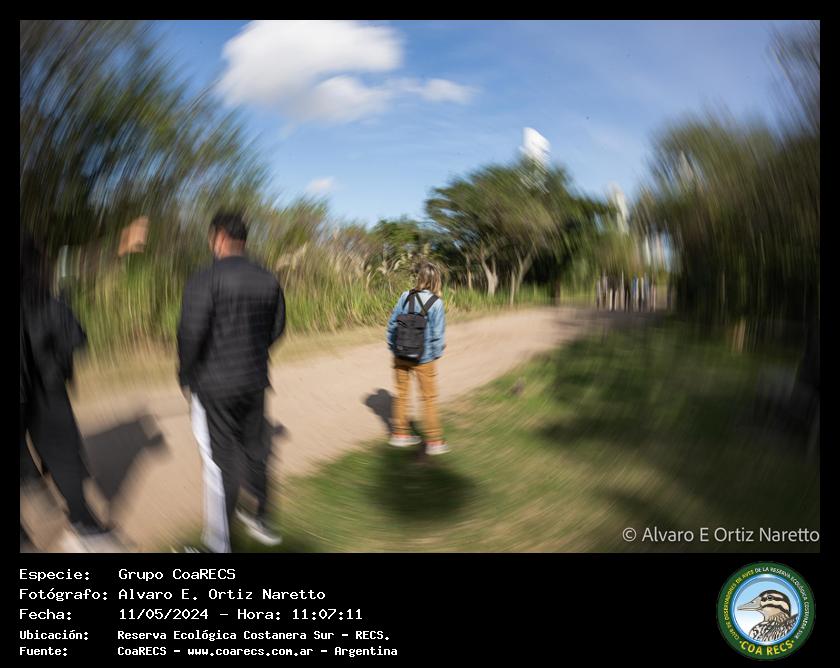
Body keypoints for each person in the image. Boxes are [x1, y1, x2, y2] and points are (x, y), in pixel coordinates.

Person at [177, 212, 286, 553]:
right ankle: (262, 520)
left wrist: (186, 375)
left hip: (214, 386)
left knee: (219, 462)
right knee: (255, 451)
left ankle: (218, 546)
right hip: (254, 381)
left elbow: (190, 335)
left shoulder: (204, 279)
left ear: (220, 237)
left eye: (212, 238)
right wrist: (252, 352)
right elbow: (277, 328)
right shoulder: (267, 278)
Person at [20, 231, 114, 551]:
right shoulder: (49, 302)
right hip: (48, 387)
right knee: (63, 451)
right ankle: (84, 524)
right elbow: (76, 342)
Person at [386, 262, 448, 455]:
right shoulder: (436, 303)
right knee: (428, 398)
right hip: (424, 358)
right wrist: (435, 355)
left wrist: (393, 348)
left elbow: (392, 325)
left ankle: (400, 434)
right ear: (436, 280)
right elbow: (437, 336)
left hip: (400, 353)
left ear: (419, 278)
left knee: (401, 394)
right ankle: (434, 441)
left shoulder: (405, 296)